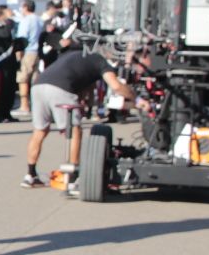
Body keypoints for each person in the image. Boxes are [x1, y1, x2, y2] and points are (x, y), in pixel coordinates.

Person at [22, 47, 137, 190]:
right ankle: (73, 177)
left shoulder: (76, 56)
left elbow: (81, 82)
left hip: (39, 85)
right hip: (60, 87)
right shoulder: (100, 61)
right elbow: (116, 86)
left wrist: (83, 100)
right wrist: (135, 98)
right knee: (75, 131)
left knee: (39, 131)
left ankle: (30, 175)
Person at [0, 6, 19, 122]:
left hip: (10, 61)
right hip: (1, 61)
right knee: (0, 88)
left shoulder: (10, 25)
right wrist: (9, 21)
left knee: (10, 89)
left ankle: (7, 112)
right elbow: (4, 35)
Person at [14, 0, 41, 113]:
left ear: (25, 7)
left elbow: (22, 39)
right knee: (35, 80)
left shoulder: (26, 20)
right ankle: (36, 105)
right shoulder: (39, 19)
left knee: (23, 79)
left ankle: (24, 105)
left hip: (27, 51)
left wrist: (18, 53)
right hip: (37, 51)